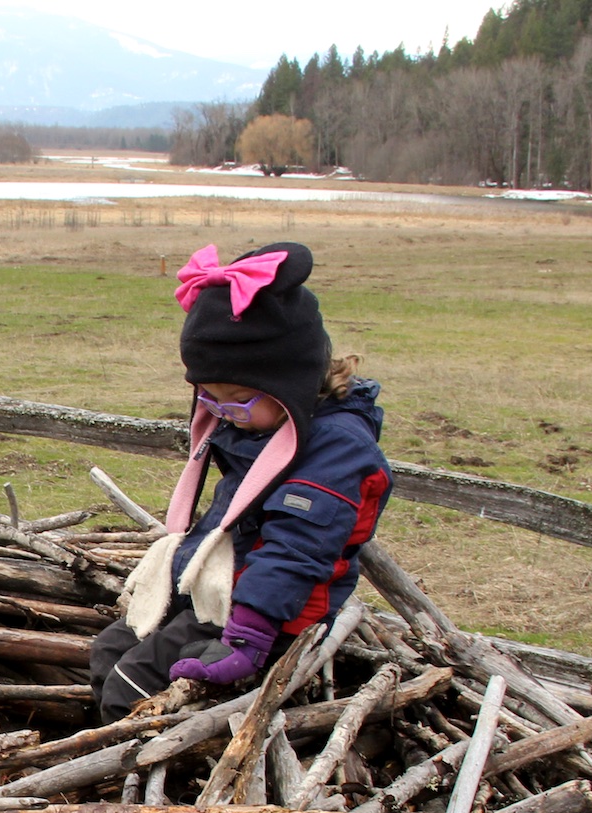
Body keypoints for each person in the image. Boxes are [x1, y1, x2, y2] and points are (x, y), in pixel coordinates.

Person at [90, 241, 392, 721]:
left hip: (272, 614)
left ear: (289, 380)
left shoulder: (335, 449)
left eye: (238, 399)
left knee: (134, 685)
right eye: (210, 398)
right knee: (109, 654)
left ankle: (141, 775)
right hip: (223, 589)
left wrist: (249, 639)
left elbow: (295, 551)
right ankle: (108, 752)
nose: (226, 414)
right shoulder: (261, 422)